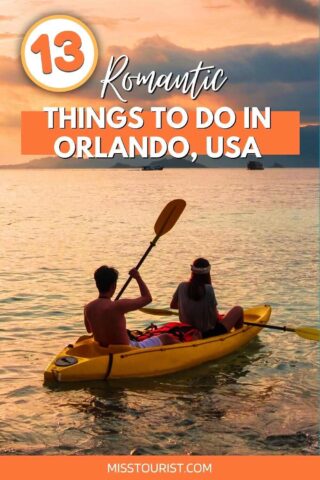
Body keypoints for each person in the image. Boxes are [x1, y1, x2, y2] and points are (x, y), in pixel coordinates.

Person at [84, 265, 179, 348]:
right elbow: (147, 298)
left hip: (103, 349)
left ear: (97, 284)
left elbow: (89, 330)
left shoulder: (88, 307)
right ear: (114, 286)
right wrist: (137, 277)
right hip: (127, 350)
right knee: (166, 337)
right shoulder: (118, 305)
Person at [170, 258, 243, 337]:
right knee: (238, 309)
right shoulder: (208, 289)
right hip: (208, 333)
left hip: (187, 330)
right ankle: (238, 335)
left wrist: (189, 307)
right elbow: (215, 318)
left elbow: (172, 305)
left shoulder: (181, 286)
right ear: (208, 272)